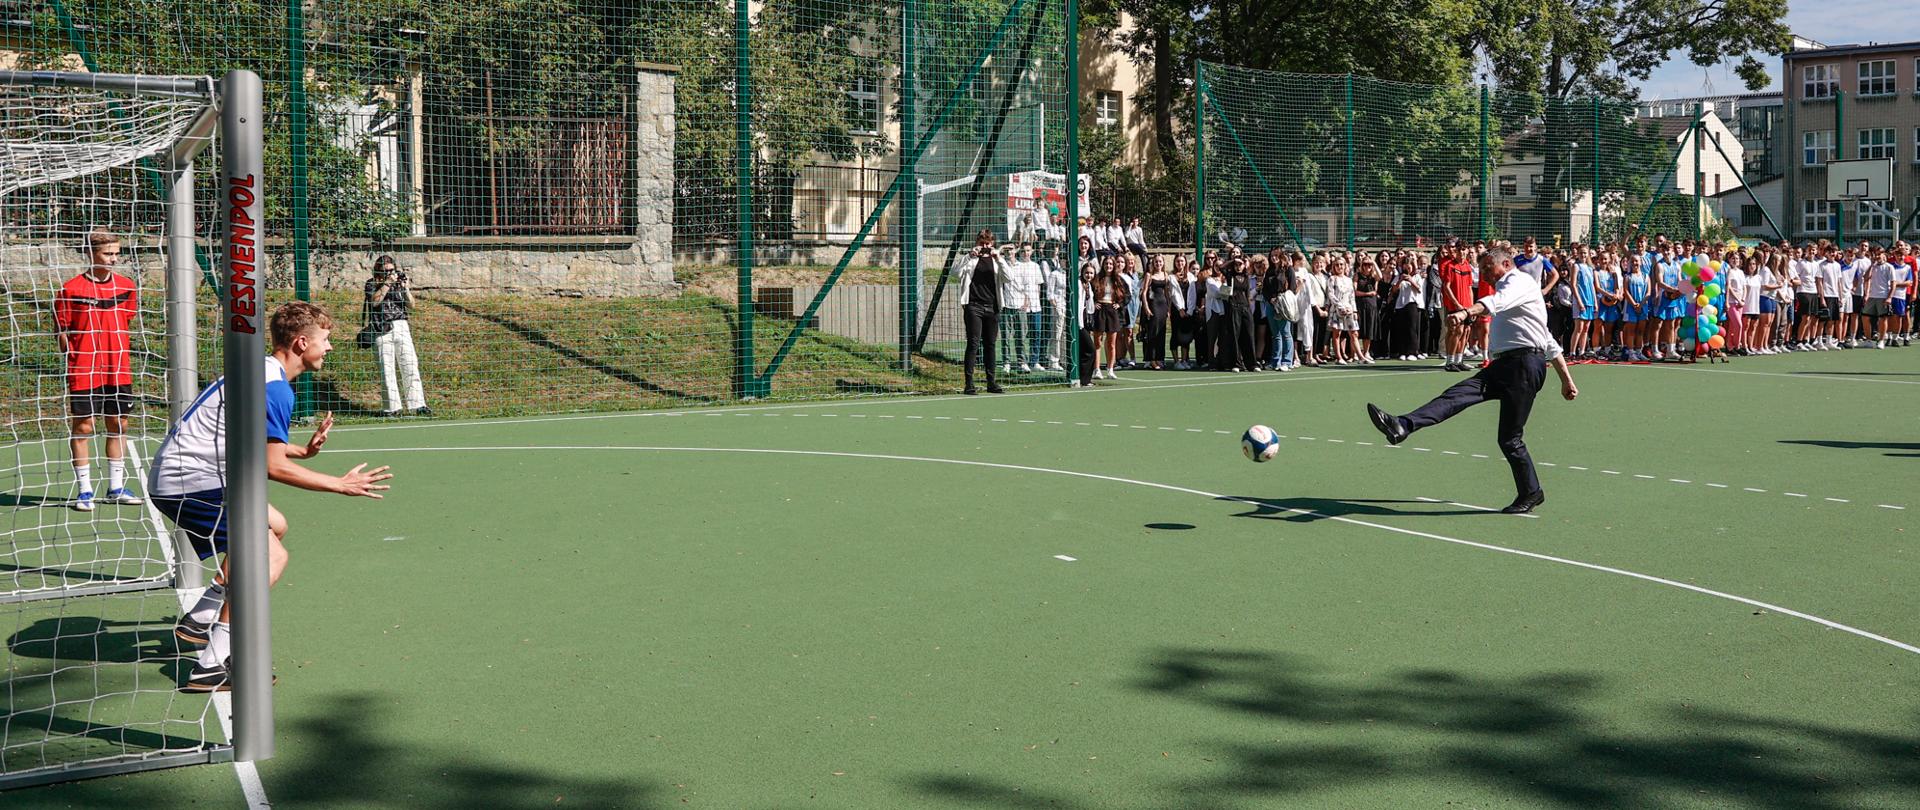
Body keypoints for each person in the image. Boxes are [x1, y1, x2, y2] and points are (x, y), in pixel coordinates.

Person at [157, 302, 393, 691]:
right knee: (270, 557)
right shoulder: (276, 389)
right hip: (192, 482)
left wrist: (302, 451)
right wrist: (341, 484)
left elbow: (256, 445)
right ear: (302, 343)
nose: (330, 348)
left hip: (190, 475)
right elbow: (273, 468)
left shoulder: (262, 373)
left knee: (275, 525)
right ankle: (213, 663)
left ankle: (202, 616)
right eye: (325, 340)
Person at [1366, 247, 1579, 514]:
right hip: (1505, 365)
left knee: (1510, 439)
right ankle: (1402, 425)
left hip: (1524, 367)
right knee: (1456, 395)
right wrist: (1566, 380)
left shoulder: (1519, 282)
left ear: (1506, 263)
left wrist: (1466, 313)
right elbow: (1547, 339)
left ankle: (1531, 492)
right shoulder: (1513, 292)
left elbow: (1501, 305)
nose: (1485, 272)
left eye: (1489, 267)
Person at [55, 230, 143, 511]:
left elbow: (125, 319)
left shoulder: (127, 287)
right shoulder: (71, 289)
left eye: (117, 253)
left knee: (118, 424)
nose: (114, 259)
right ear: (91, 254)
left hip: (118, 369)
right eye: (108, 254)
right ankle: (84, 491)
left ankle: (116, 487)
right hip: (84, 369)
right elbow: (62, 331)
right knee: (84, 426)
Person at [363, 255, 430, 417]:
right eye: (386, 271)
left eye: (392, 270)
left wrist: (405, 288)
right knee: (387, 369)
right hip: (382, 329)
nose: (390, 273)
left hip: (401, 325)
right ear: (378, 270)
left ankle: (417, 405)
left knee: (410, 365)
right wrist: (387, 284)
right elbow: (374, 302)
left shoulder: (398, 282)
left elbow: (412, 305)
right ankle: (392, 408)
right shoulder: (371, 284)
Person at [954, 230, 1010, 394]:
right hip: (973, 306)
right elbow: (955, 273)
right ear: (977, 242)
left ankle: (991, 382)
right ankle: (969, 384)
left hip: (992, 307)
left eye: (987, 243)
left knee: (991, 345)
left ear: (992, 244)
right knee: (973, 343)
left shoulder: (996, 261)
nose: (984, 246)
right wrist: (969, 257)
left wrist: (999, 259)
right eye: (982, 243)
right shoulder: (970, 258)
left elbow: (1009, 277)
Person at [1138, 255, 1175, 369]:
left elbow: (1168, 293)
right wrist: (1146, 308)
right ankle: (1152, 359)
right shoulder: (1149, 275)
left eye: (1160, 262)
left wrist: (1169, 309)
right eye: (1156, 262)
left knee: (1161, 333)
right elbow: (1144, 293)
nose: (1158, 264)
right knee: (1153, 332)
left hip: (1163, 305)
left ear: (1163, 263)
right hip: (1153, 305)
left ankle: (1160, 358)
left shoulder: (1166, 275)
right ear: (1153, 263)